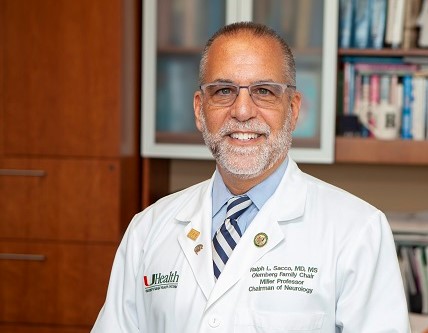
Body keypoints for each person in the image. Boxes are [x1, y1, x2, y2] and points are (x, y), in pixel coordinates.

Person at [91, 22, 410, 333]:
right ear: (200, 110)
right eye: (224, 90)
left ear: (294, 109)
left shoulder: (357, 231)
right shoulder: (147, 230)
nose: (242, 111)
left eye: (264, 91)